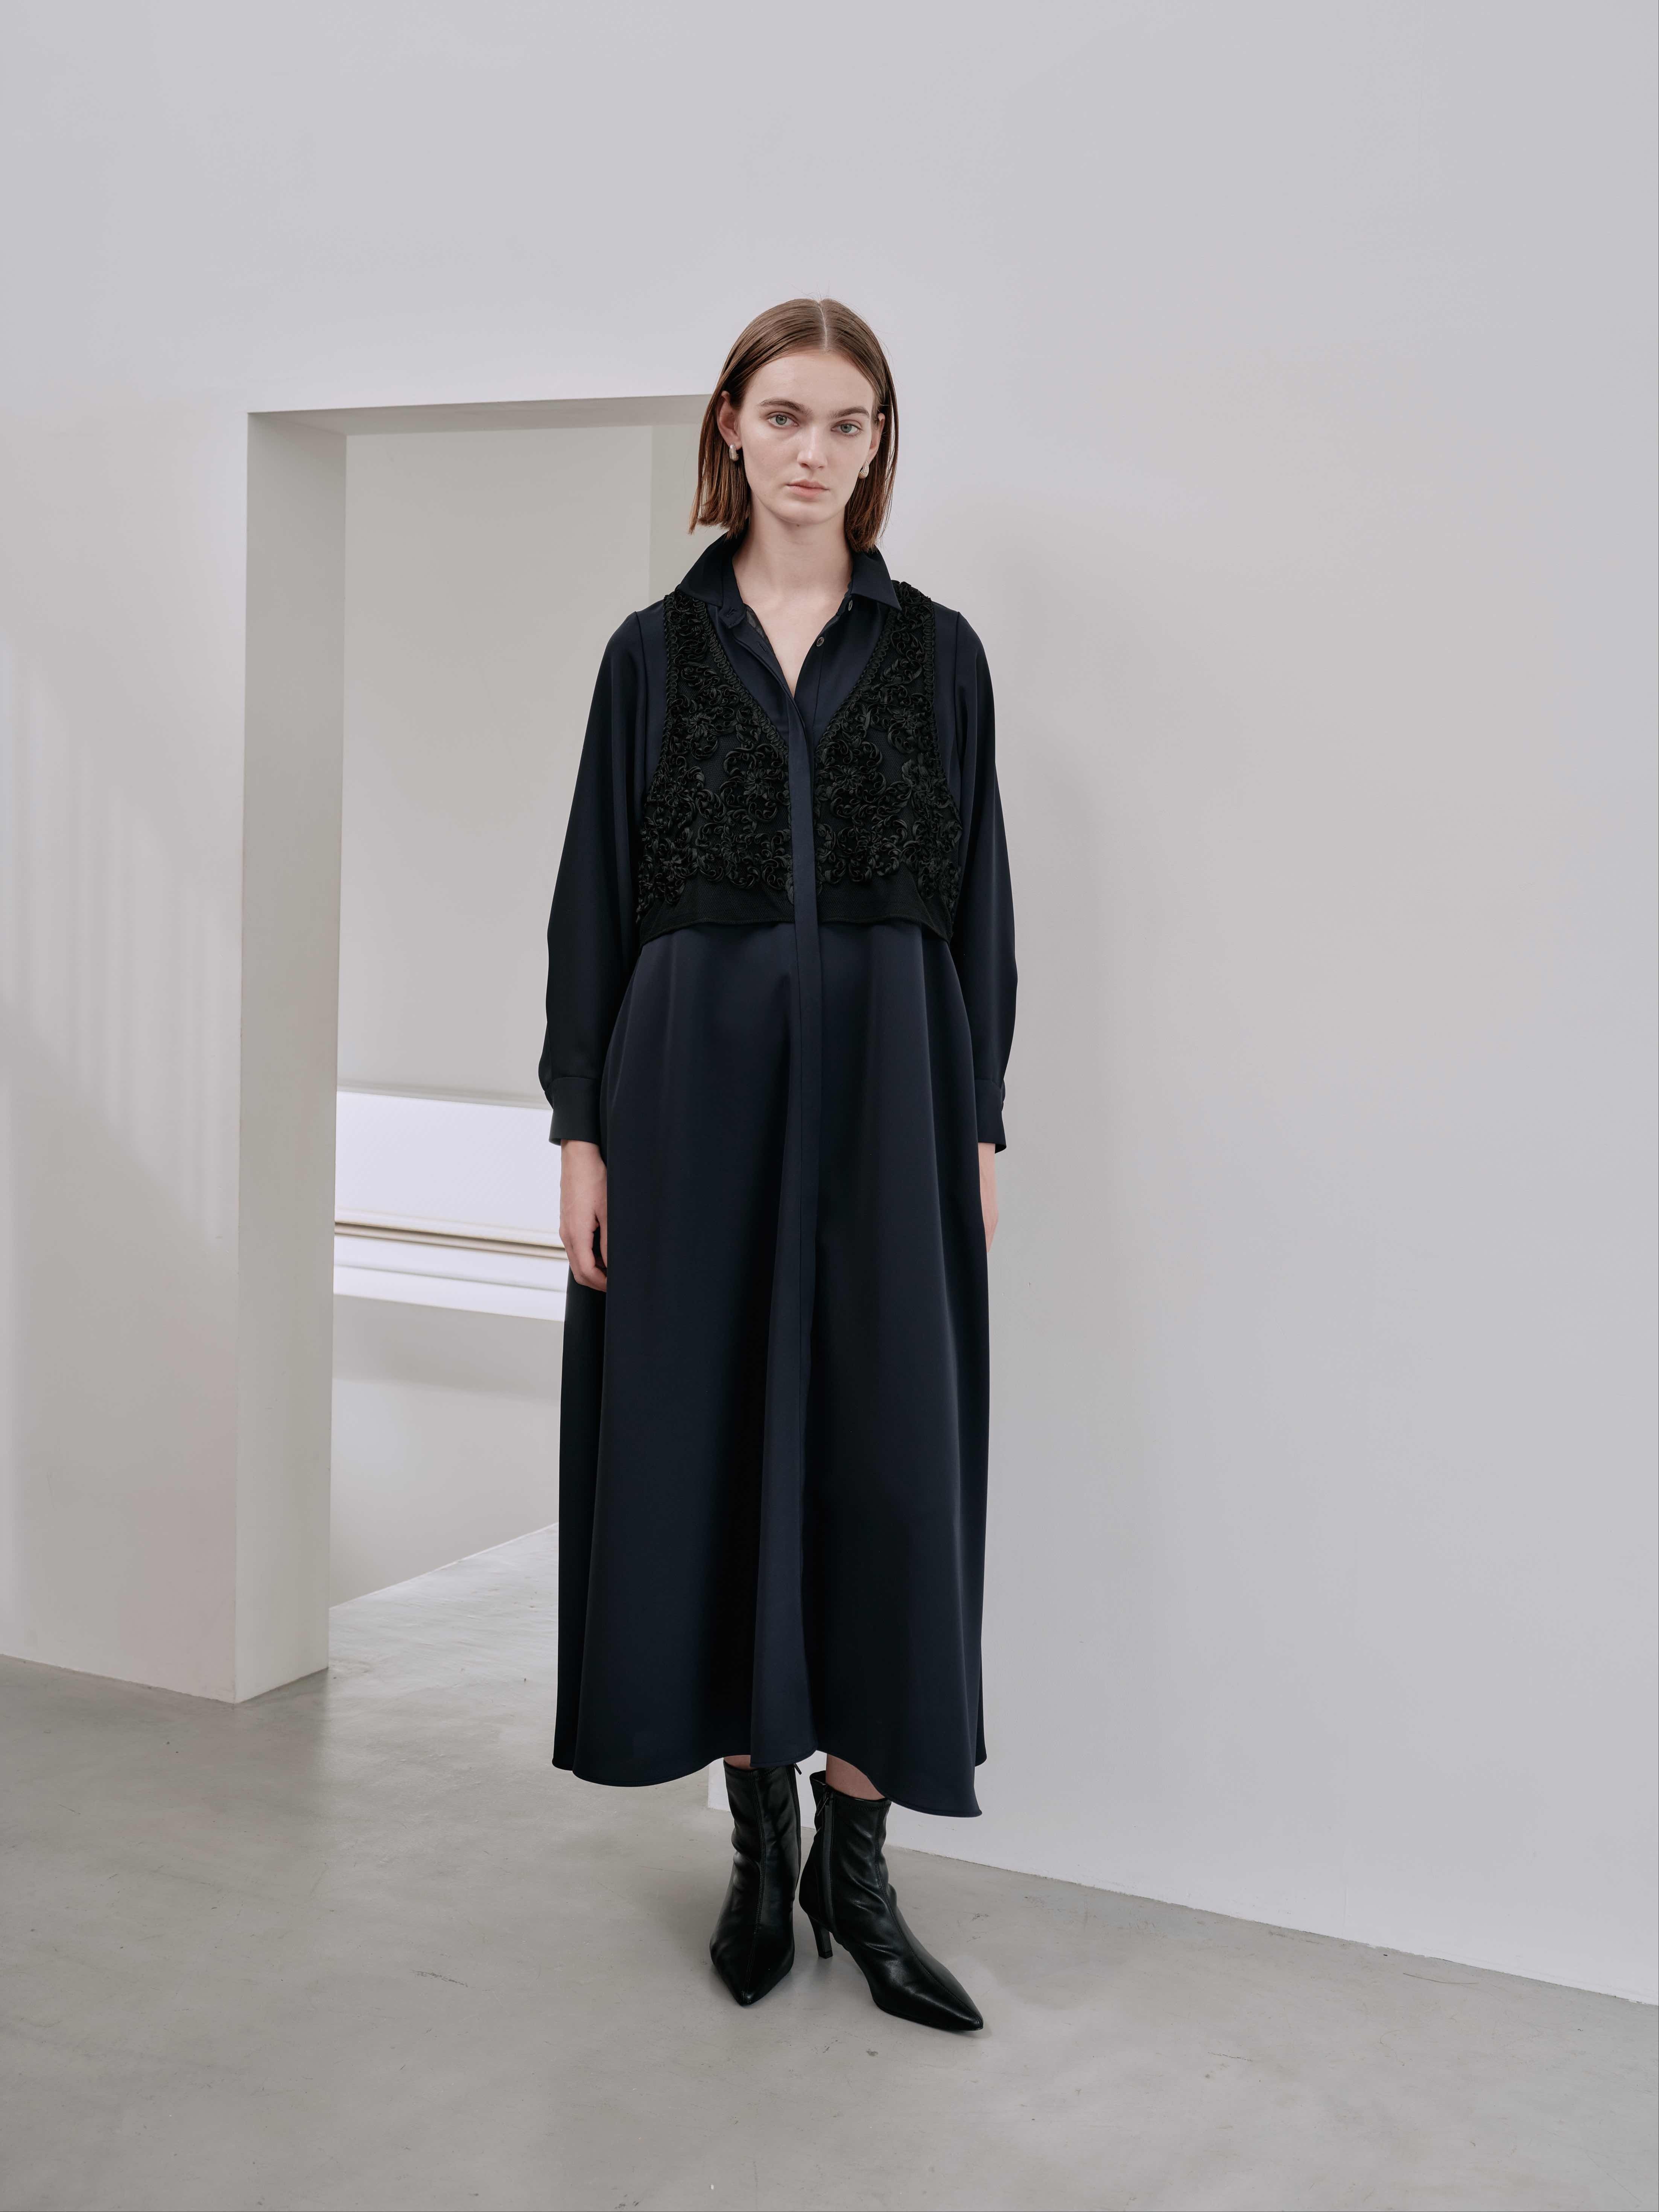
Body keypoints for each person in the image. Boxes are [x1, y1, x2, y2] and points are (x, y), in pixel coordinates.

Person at [540, 297, 1016, 2033]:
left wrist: (977, 1119)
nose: (814, 451)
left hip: (895, 1099)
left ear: (878, 447)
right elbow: (592, 902)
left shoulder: (937, 653)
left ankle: (858, 1876)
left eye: (849, 422)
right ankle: (758, 1852)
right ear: (729, 427)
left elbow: (978, 906)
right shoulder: (650, 656)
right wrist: (579, 1128)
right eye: (786, 415)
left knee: (893, 1461)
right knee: (719, 1444)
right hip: (690, 1102)